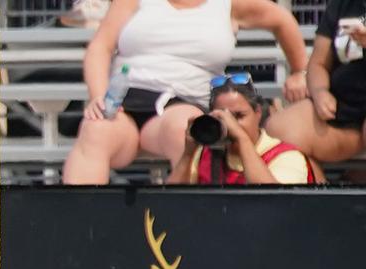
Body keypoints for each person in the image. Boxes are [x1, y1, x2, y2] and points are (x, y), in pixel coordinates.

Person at [59, 0, 308, 184]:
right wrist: (98, 95)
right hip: (125, 100)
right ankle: (78, 226)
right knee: (95, 129)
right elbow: (100, 47)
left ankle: (189, 228)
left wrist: (299, 71)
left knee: (186, 129)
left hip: (183, 102)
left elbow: (282, 20)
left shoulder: (228, 4)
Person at [266, 1, 366, 162]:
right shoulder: (341, 5)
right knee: (278, 130)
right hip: (340, 107)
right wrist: (320, 92)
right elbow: (318, 63)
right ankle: (313, 176)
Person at [176, 74, 317, 184]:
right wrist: (187, 154)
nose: (230, 124)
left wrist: (241, 137)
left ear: (258, 113)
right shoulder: (204, 154)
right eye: (223, 117)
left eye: (238, 116)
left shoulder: (287, 155)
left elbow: (272, 200)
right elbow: (171, 203)